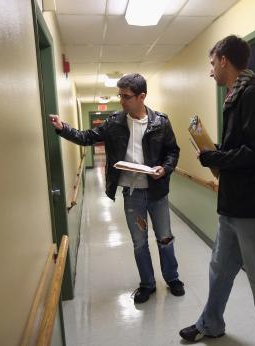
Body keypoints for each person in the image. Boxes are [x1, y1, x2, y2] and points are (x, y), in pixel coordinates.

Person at [179, 35, 255, 345]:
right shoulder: (236, 95)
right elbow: (242, 149)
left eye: (211, 64)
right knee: (220, 267)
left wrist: (214, 157)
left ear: (223, 60)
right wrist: (213, 150)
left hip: (253, 207)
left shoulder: (254, 94)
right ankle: (211, 322)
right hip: (233, 204)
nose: (210, 71)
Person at [49, 73, 184, 304]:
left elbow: (173, 150)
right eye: (120, 95)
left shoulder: (161, 121)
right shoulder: (114, 122)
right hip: (132, 195)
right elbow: (87, 137)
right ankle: (147, 284)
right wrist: (64, 128)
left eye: (126, 96)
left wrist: (165, 167)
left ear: (142, 96)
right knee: (139, 242)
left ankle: (172, 278)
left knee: (164, 238)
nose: (121, 100)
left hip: (157, 192)